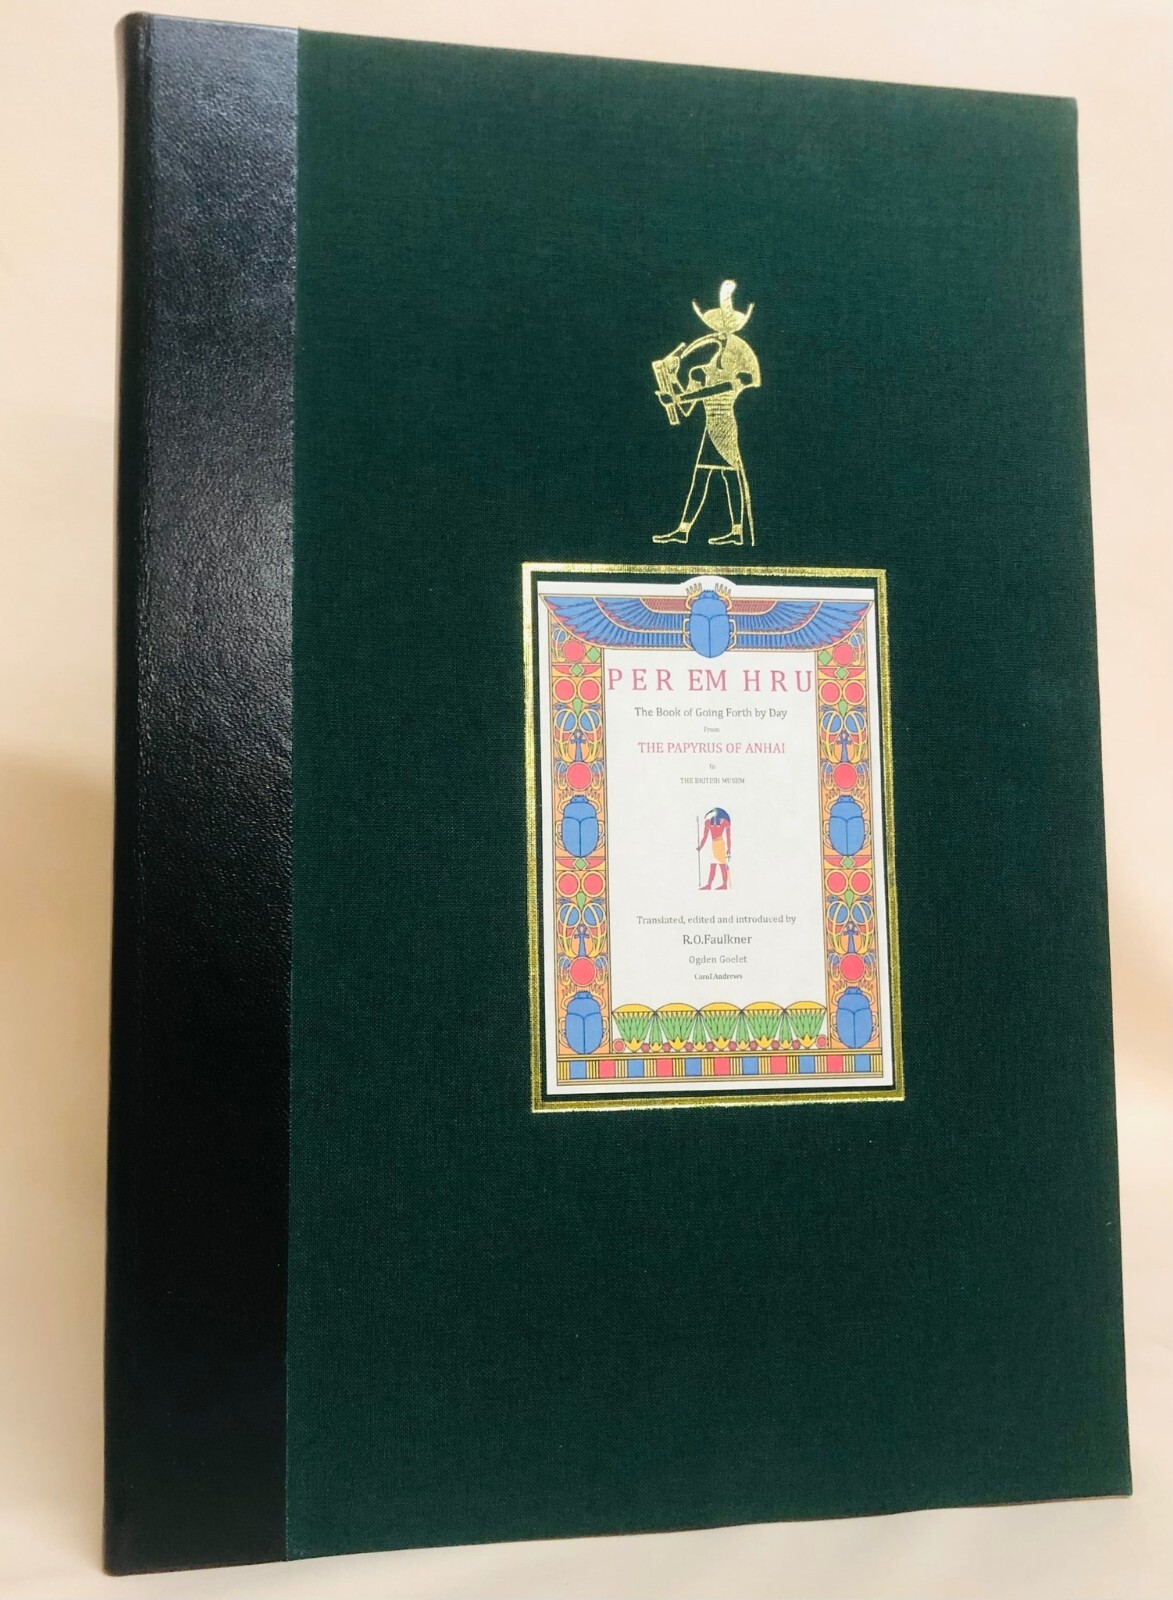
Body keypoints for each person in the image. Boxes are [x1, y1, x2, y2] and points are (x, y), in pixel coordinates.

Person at [653, 281, 761, 547]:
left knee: (727, 474)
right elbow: (686, 409)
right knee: (706, 476)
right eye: (718, 329)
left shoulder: (738, 359)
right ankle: (686, 530)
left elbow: (721, 389)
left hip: (724, 424)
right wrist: (672, 382)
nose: (719, 334)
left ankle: (734, 532)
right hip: (711, 426)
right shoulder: (702, 370)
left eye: (725, 331)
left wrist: (679, 397)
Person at [697, 808, 732, 890]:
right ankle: (709, 885)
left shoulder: (725, 822)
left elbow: (728, 837)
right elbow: (705, 836)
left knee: (722, 865)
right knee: (713, 865)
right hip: (714, 845)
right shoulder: (708, 822)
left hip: (720, 845)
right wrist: (701, 846)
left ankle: (724, 885)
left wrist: (729, 848)